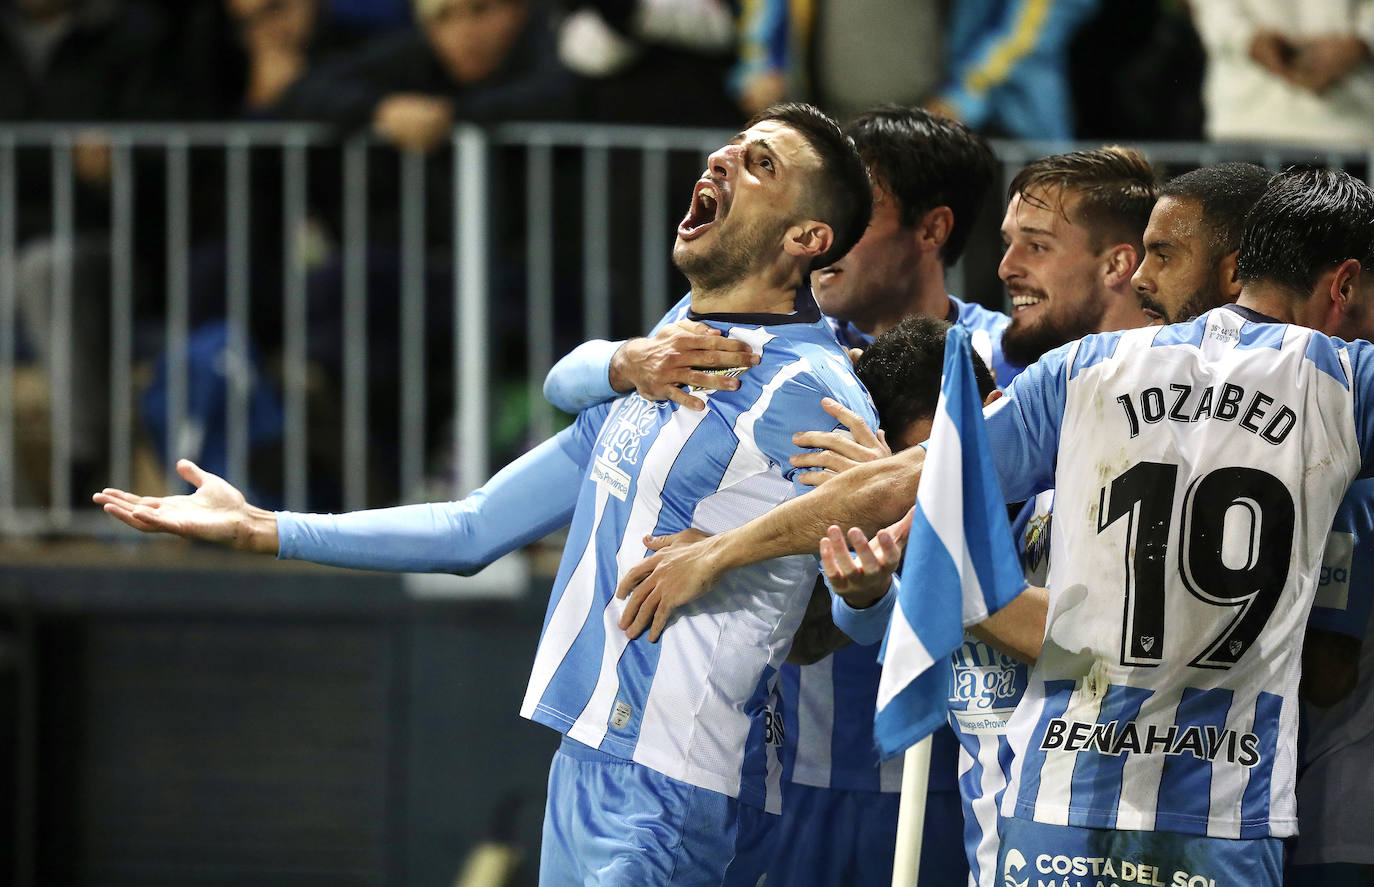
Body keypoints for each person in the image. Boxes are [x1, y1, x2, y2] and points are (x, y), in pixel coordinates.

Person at [97, 101, 875, 887]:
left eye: (761, 164)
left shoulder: (810, 387)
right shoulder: (676, 341)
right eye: (732, 147)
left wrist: (796, 565)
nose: (721, 161)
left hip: (682, 784)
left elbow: (873, 557)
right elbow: (472, 526)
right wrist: (263, 526)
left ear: (807, 239)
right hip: (585, 763)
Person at [614, 167, 1374, 886]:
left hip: (1055, 810)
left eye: (1161, 254)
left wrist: (721, 550)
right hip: (1220, 815)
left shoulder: (1084, 371)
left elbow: (906, 479)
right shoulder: (1345, 382)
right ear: (1343, 283)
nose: (1144, 276)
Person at [997, 145, 1159, 369]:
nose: (1005, 268)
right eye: (1008, 244)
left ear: (1116, 265)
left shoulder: (1196, 389)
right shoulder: (993, 372)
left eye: (1037, 246)